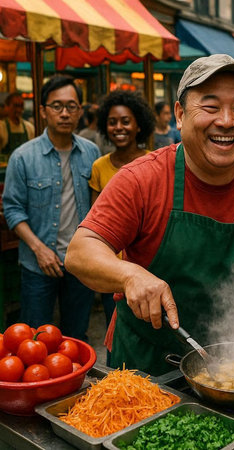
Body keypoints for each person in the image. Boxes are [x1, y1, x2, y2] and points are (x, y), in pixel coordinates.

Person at [65, 54, 234, 376]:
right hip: (145, 363)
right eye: (210, 107)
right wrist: (130, 275)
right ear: (180, 115)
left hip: (231, 358)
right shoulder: (141, 179)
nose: (226, 121)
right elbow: (80, 252)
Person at [2, 75, 100, 340]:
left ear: (80, 110)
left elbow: (98, 206)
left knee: (77, 337)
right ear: (43, 111)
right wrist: (39, 249)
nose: (65, 113)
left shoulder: (92, 153)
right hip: (37, 264)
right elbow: (12, 209)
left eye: (71, 106)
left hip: (80, 263)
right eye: (57, 106)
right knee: (34, 340)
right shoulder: (23, 157)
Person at [89, 89, 155, 326]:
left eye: (126, 121)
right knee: (115, 325)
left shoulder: (155, 163)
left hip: (149, 266)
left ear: (139, 126)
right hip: (112, 269)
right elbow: (94, 220)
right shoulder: (99, 167)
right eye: (112, 122)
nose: (119, 127)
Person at [0, 92, 35, 160]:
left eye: (21, 106)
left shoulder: (29, 128)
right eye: (15, 106)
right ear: (7, 107)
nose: (19, 110)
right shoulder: (1, 127)